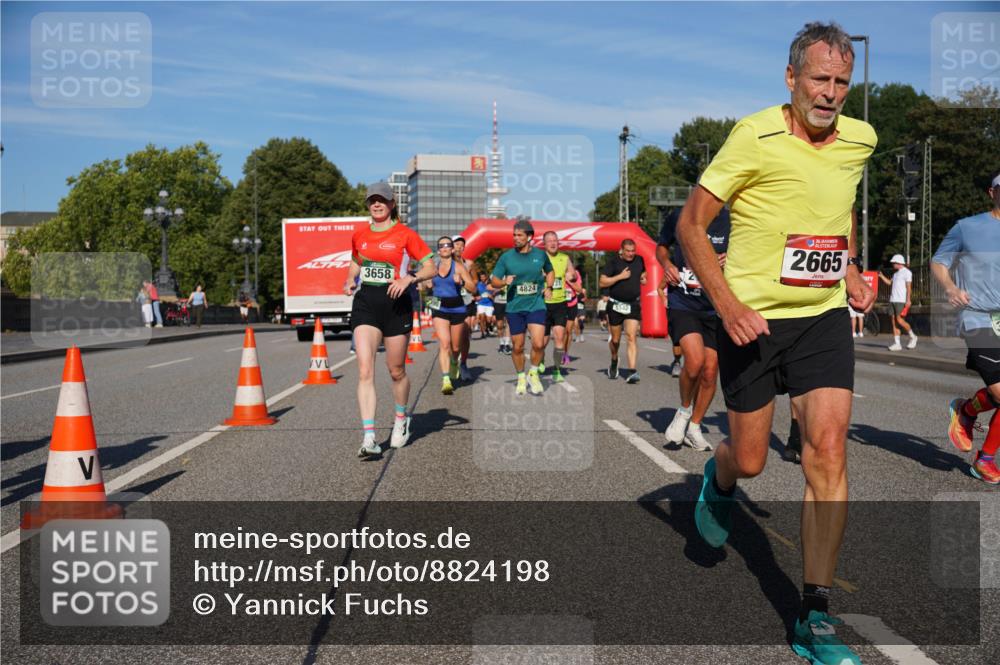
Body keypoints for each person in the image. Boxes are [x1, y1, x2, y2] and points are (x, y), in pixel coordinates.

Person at [677, 23, 876, 665]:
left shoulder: (861, 139)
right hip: (753, 320)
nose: (831, 93)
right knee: (754, 458)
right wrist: (728, 304)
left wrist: (845, 265)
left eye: (842, 81)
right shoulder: (753, 136)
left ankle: (813, 615)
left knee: (827, 450)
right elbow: (691, 225)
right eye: (819, 79)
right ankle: (721, 476)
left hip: (820, 318)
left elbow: (838, 202)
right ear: (790, 79)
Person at [345, 182, 435, 458]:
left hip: (397, 306)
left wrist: (410, 277)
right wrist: (350, 279)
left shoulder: (405, 235)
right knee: (364, 370)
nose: (376, 204)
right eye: (372, 200)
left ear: (392, 203)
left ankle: (400, 420)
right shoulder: (359, 234)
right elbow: (356, 262)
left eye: (381, 200)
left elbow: (431, 266)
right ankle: (369, 437)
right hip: (367, 305)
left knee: (396, 370)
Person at [933, 172, 1000, 484]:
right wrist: (948, 287)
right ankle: (981, 449)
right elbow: (938, 262)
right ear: (992, 192)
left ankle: (969, 416)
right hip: (976, 316)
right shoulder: (967, 227)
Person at [658, 204, 731, 451]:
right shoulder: (681, 215)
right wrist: (667, 265)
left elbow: (751, 252)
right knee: (695, 361)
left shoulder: (732, 220)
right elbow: (661, 248)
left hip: (715, 305)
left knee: (711, 372)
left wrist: (732, 258)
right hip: (683, 302)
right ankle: (684, 410)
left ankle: (695, 427)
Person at [490, 217, 554, 395]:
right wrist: (503, 282)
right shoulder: (507, 257)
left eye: (519, 235)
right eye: (514, 235)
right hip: (515, 307)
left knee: (539, 343)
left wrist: (548, 287)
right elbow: (493, 280)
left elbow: (550, 271)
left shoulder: (540, 255)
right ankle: (520, 376)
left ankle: (533, 372)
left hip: (536, 304)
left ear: (529, 237)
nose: (515, 238)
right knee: (517, 346)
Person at [429, 237, 476, 394]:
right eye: (442, 245)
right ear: (438, 250)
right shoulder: (433, 267)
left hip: (457, 308)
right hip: (439, 308)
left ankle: (455, 361)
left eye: (448, 245)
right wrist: (424, 283)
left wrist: (461, 282)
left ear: (452, 249)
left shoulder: (459, 267)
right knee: (445, 343)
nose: (445, 247)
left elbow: (473, 288)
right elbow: (423, 280)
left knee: (456, 347)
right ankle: (446, 379)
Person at [600, 239, 646, 383]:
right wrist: (620, 276)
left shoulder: (640, 260)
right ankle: (614, 360)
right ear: (622, 250)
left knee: (632, 337)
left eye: (633, 251)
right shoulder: (613, 263)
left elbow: (643, 273)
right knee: (615, 340)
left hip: (632, 304)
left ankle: (632, 371)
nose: (631, 254)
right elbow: (602, 282)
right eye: (628, 251)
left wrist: (644, 278)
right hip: (615, 305)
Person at [540, 230, 577, 383]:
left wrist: (571, 275)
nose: (553, 243)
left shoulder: (564, 258)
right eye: (549, 240)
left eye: (555, 240)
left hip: (560, 303)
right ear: (544, 244)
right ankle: (539, 362)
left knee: (560, 338)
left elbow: (572, 273)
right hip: (542, 304)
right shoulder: (539, 258)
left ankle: (556, 369)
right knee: (541, 342)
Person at [451, 237, 477, 381]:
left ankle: (464, 364)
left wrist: (467, 286)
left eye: (462, 245)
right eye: (456, 244)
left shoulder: (469, 263)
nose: (459, 247)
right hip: (449, 302)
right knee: (451, 338)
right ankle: (452, 362)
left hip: (466, 301)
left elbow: (475, 280)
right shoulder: (445, 263)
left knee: (465, 333)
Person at [879, 254, 917, 350]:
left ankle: (913, 336)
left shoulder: (907, 272)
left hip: (901, 300)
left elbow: (909, 287)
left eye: (894, 263)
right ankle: (897, 344)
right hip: (893, 300)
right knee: (893, 321)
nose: (892, 264)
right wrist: (881, 276)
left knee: (899, 320)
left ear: (899, 263)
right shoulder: (895, 274)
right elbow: (889, 283)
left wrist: (908, 300)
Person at [475, 273, 495, 340]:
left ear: (486, 277)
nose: (482, 278)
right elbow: (475, 294)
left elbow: (494, 295)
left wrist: (491, 296)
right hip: (481, 304)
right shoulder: (478, 285)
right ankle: (482, 333)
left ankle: (487, 328)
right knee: (482, 317)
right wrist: (477, 297)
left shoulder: (490, 285)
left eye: (483, 277)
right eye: (481, 277)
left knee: (488, 320)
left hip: (489, 304)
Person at [493, 282, 511, 355]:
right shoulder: (496, 275)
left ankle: (507, 344)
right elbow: (488, 287)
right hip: (498, 302)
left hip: (509, 302)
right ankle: (501, 343)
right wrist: (498, 289)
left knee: (508, 323)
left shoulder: (511, 275)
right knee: (499, 325)